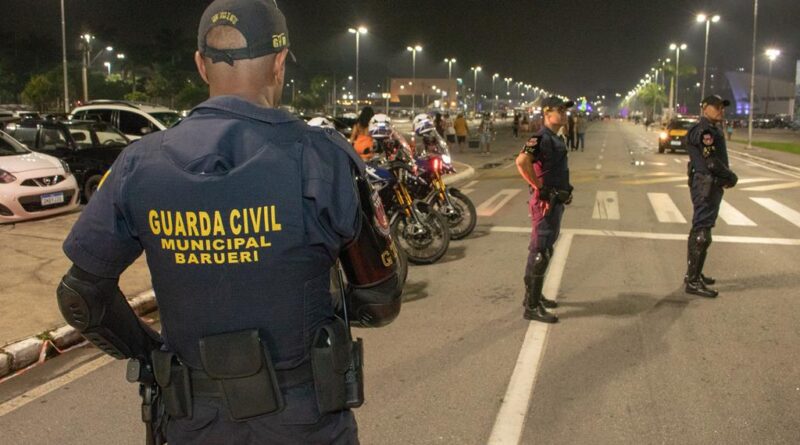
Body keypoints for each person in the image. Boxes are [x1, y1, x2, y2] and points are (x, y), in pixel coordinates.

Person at [55, 1, 403, 443]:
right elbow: (381, 298)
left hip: (193, 423)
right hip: (304, 422)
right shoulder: (324, 158)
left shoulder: (138, 164)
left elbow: (80, 296)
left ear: (201, 65)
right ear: (279, 63)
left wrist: (153, 356)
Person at [514, 97, 574, 323]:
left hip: (554, 201)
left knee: (545, 249)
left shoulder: (555, 137)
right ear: (547, 114)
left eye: (565, 110)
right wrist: (541, 189)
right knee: (540, 252)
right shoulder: (539, 137)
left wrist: (564, 191)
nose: (564, 114)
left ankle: (534, 296)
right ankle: (531, 306)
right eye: (560, 110)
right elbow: (522, 162)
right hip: (545, 204)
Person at [684, 95, 738, 298]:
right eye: (716, 107)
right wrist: (730, 177)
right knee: (702, 232)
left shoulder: (708, 129)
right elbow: (712, 162)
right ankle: (693, 281)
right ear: (704, 108)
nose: (720, 110)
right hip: (706, 184)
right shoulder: (705, 131)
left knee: (700, 227)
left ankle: (693, 273)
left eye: (722, 107)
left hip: (705, 183)